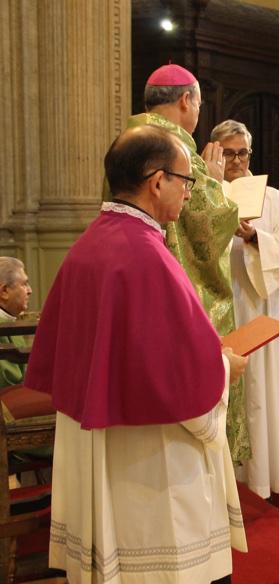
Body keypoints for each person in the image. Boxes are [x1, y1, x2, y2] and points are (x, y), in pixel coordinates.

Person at [24, 125, 248, 583]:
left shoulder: (89, 244)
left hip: (101, 444)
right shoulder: (146, 255)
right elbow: (183, 381)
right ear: (156, 180)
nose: (189, 194)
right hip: (148, 461)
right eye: (187, 181)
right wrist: (226, 366)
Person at [126, 63, 248, 462]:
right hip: (177, 291)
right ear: (186, 100)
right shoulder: (178, 150)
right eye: (198, 103)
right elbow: (210, 221)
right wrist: (213, 179)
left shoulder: (127, 141)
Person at [211, 119, 279, 498]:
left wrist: (255, 237)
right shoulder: (205, 195)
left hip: (259, 300)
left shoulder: (273, 199)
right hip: (222, 301)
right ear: (216, 151)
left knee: (261, 387)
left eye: (242, 153)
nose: (236, 160)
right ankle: (228, 478)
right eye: (229, 153)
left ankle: (264, 475)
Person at [0, 257, 32, 387]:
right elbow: (10, 383)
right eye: (24, 284)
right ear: (4, 291)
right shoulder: (4, 327)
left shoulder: (9, 320)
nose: (30, 291)